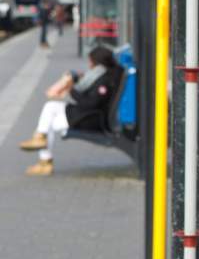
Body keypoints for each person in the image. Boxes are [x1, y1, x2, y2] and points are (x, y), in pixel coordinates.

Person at [19, 46, 122, 176]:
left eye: (91, 62)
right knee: (49, 113)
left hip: (91, 118)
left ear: (98, 63)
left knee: (48, 120)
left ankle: (45, 161)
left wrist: (71, 89)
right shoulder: (106, 74)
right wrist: (76, 82)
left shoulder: (104, 82)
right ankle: (41, 145)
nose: (89, 65)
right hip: (89, 114)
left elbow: (91, 103)